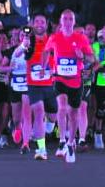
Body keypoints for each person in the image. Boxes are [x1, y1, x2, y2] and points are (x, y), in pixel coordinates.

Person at [41, 9, 95, 163]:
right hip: (59, 78)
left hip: (76, 81)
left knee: (73, 114)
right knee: (62, 106)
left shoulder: (81, 38)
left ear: (74, 22)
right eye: (64, 18)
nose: (67, 21)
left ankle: (71, 142)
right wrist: (44, 67)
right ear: (60, 21)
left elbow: (92, 59)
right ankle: (62, 140)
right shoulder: (54, 37)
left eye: (70, 19)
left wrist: (82, 56)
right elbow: (46, 52)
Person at [24, 13, 56, 161]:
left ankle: (50, 126)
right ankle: (41, 149)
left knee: (52, 116)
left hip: (50, 84)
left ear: (46, 24)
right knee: (38, 112)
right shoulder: (27, 39)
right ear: (32, 23)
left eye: (42, 22)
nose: (39, 24)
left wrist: (53, 70)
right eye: (36, 21)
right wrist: (23, 46)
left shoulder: (53, 39)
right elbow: (19, 52)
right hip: (33, 84)